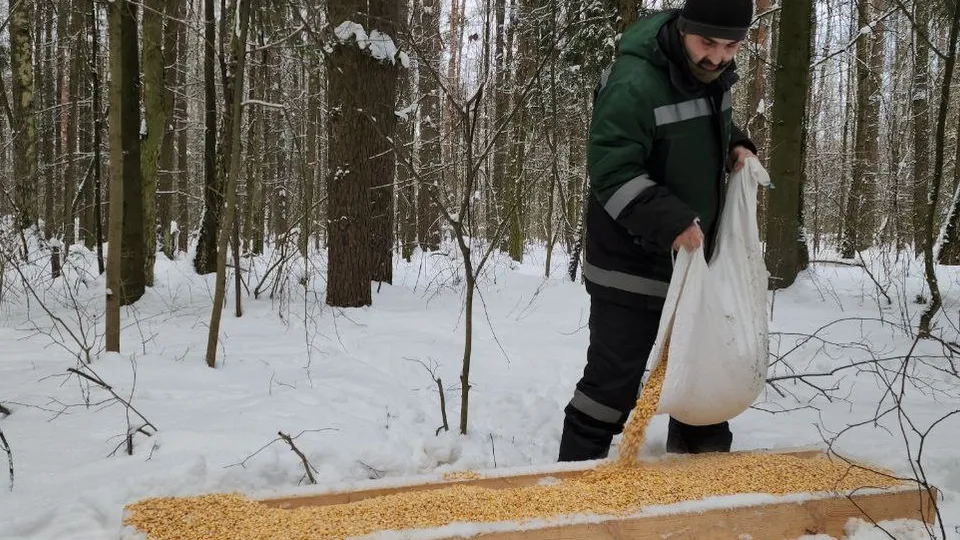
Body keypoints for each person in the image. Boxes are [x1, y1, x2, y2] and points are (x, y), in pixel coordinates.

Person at [559, 0, 759, 462]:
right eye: (707, 42)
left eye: (730, 46)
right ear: (683, 27)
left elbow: (705, 124)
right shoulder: (635, 82)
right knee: (611, 386)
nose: (717, 57)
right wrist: (672, 221)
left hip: (689, 263)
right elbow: (612, 172)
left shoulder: (712, 72)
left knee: (698, 374)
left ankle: (701, 481)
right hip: (629, 262)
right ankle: (569, 487)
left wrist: (737, 146)